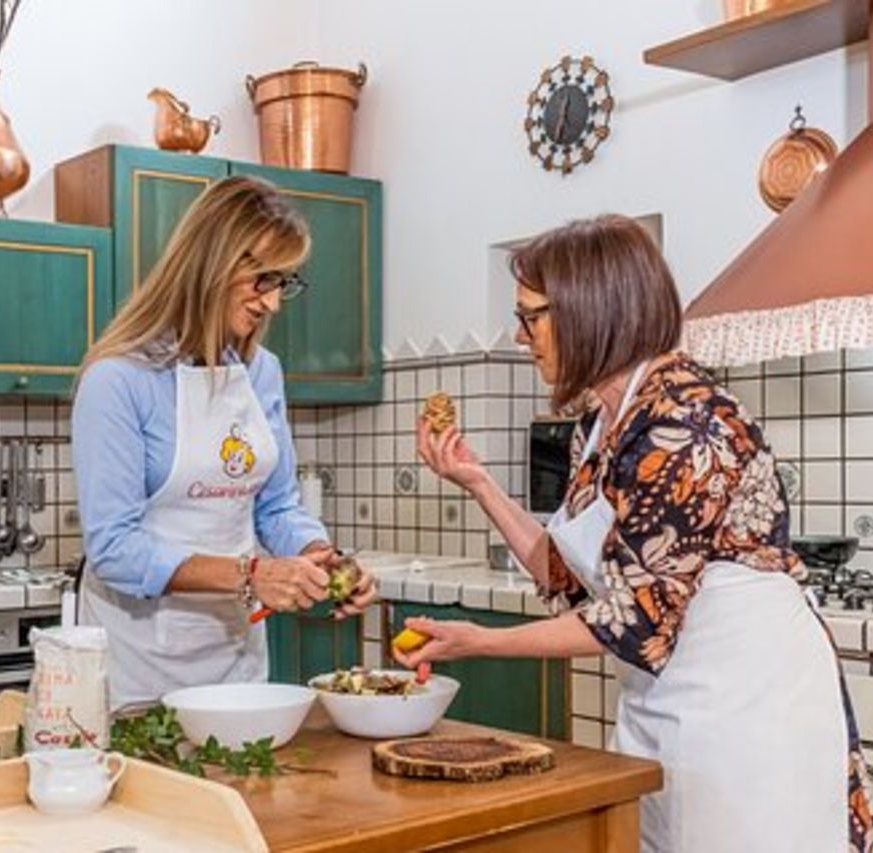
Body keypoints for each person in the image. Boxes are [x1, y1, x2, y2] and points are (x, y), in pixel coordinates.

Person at [398, 214, 870, 853]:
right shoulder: (601, 424)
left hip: (746, 704)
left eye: (531, 316)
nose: (520, 335)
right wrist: (479, 483)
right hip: (664, 695)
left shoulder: (687, 420)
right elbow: (568, 576)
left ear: (588, 311)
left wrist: (479, 641)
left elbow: (634, 620)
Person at [72, 176, 375, 710]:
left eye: (285, 282)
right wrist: (252, 574)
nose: (274, 303)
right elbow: (114, 548)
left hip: (236, 664)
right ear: (213, 263)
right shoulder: (118, 379)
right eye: (262, 279)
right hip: (137, 671)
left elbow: (277, 506)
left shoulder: (261, 373)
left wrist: (318, 558)